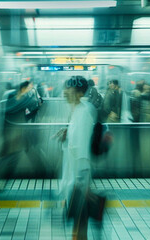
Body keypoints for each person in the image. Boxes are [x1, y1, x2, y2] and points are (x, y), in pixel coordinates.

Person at [56, 76, 105, 240]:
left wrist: (81, 181)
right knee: (78, 220)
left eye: (68, 88)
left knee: (80, 221)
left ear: (78, 92)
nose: (64, 91)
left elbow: (83, 149)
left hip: (78, 176)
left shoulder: (83, 112)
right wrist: (67, 135)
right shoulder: (77, 110)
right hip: (75, 175)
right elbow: (76, 141)